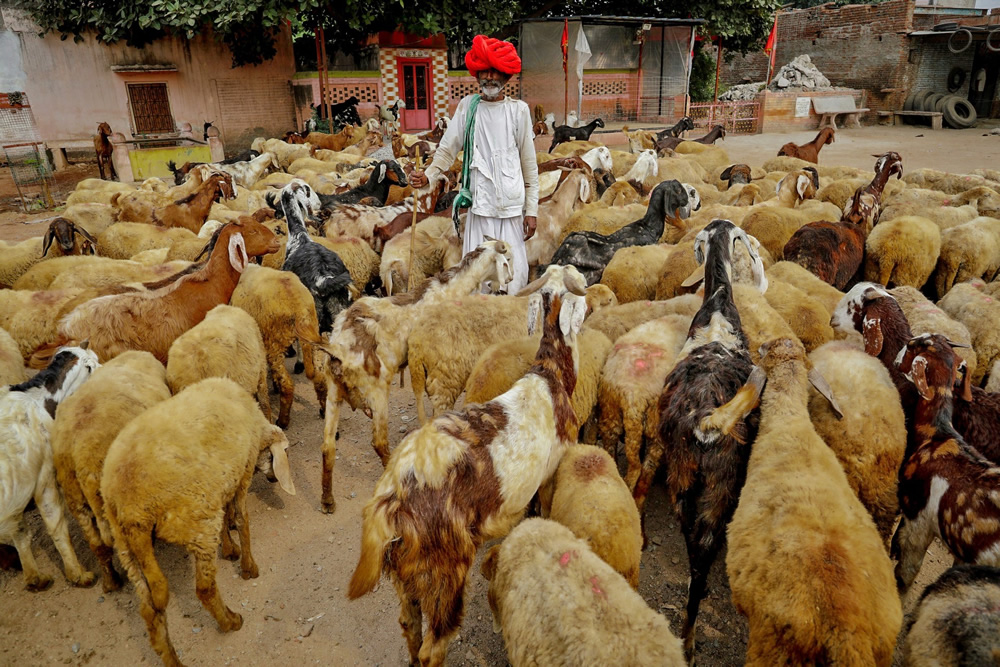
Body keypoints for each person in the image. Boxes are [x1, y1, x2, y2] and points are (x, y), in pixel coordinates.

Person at [409, 35, 538, 294]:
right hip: (479, 206)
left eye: (496, 72)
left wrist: (531, 210)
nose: (489, 77)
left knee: (514, 274)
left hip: (511, 208)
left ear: (505, 77)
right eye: (485, 72)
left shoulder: (519, 111)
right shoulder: (469, 107)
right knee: (477, 276)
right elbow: (447, 149)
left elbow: (529, 165)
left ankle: (510, 324)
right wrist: (429, 177)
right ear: (478, 75)